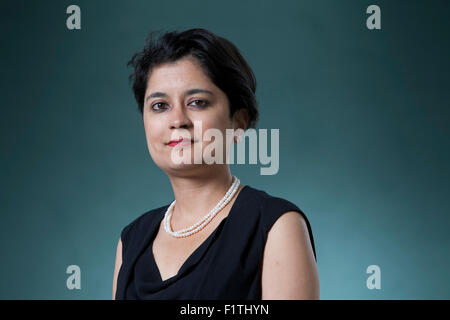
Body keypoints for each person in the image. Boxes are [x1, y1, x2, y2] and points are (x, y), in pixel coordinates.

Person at [112, 28, 319, 299]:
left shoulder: (275, 226)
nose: (178, 120)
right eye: (160, 106)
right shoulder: (132, 240)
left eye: (197, 102)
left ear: (239, 122)